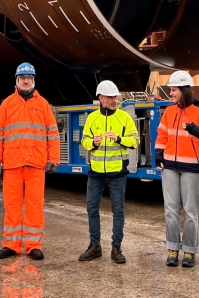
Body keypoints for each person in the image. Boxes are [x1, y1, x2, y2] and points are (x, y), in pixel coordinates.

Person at [0, 62, 60, 260]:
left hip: (36, 163)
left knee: (34, 206)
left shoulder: (43, 104)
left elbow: (52, 134)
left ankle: (33, 245)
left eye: (29, 78)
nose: (26, 81)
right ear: (17, 81)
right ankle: (11, 245)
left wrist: (54, 158)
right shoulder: (7, 104)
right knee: (11, 206)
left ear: (34, 80)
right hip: (12, 164)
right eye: (22, 78)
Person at [154, 70, 199, 268]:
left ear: (184, 90)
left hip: (191, 168)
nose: (171, 93)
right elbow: (162, 135)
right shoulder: (170, 111)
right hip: (169, 166)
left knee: (190, 211)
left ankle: (189, 250)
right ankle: (172, 248)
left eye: (174, 90)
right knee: (170, 210)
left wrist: (197, 130)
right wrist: (159, 155)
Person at [78, 80, 139, 264]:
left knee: (118, 210)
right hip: (95, 172)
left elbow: (135, 141)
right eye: (110, 97)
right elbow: (84, 142)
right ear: (101, 98)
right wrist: (93, 142)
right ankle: (95, 246)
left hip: (117, 172)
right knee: (91, 209)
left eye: (115, 97)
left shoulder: (124, 117)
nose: (114, 100)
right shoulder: (92, 118)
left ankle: (116, 247)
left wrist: (119, 138)